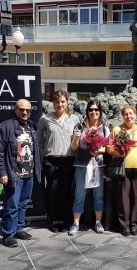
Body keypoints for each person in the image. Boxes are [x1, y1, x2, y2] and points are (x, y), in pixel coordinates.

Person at [0, 99, 41, 248]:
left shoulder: (32, 127)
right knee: (11, 205)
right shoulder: (5, 127)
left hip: (29, 174)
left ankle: (19, 229)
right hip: (14, 175)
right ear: (15, 109)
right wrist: (1, 172)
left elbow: (35, 150)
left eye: (28, 110)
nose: (25, 112)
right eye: (21, 109)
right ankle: (8, 234)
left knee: (23, 204)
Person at [106, 105, 137, 236]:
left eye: (131, 113)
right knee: (123, 197)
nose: (129, 116)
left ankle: (134, 224)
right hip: (122, 167)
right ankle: (124, 225)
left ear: (136, 115)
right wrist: (119, 153)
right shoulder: (116, 129)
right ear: (123, 116)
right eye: (126, 114)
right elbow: (108, 148)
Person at [37, 90, 79, 232]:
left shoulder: (74, 119)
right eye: (57, 101)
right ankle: (55, 219)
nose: (60, 104)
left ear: (67, 102)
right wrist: (43, 153)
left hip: (68, 160)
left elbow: (77, 139)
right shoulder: (45, 118)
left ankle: (65, 219)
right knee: (53, 190)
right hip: (51, 160)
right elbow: (38, 139)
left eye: (62, 101)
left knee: (66, 191)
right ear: (53, 103)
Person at [68, 100, 110, 235]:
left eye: (96, 110)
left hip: (98, 165)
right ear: (87, 112)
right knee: (80, 194)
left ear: (100, 112)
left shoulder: (104, 128)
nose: (94, 112)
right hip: (82, 165)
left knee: (99, 194)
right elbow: (74, 148)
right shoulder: (79, 126)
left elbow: (108, 147)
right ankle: (76, 223)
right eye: (91, 110)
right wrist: (76, 138)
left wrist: (98, 150)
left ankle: (98, 222)